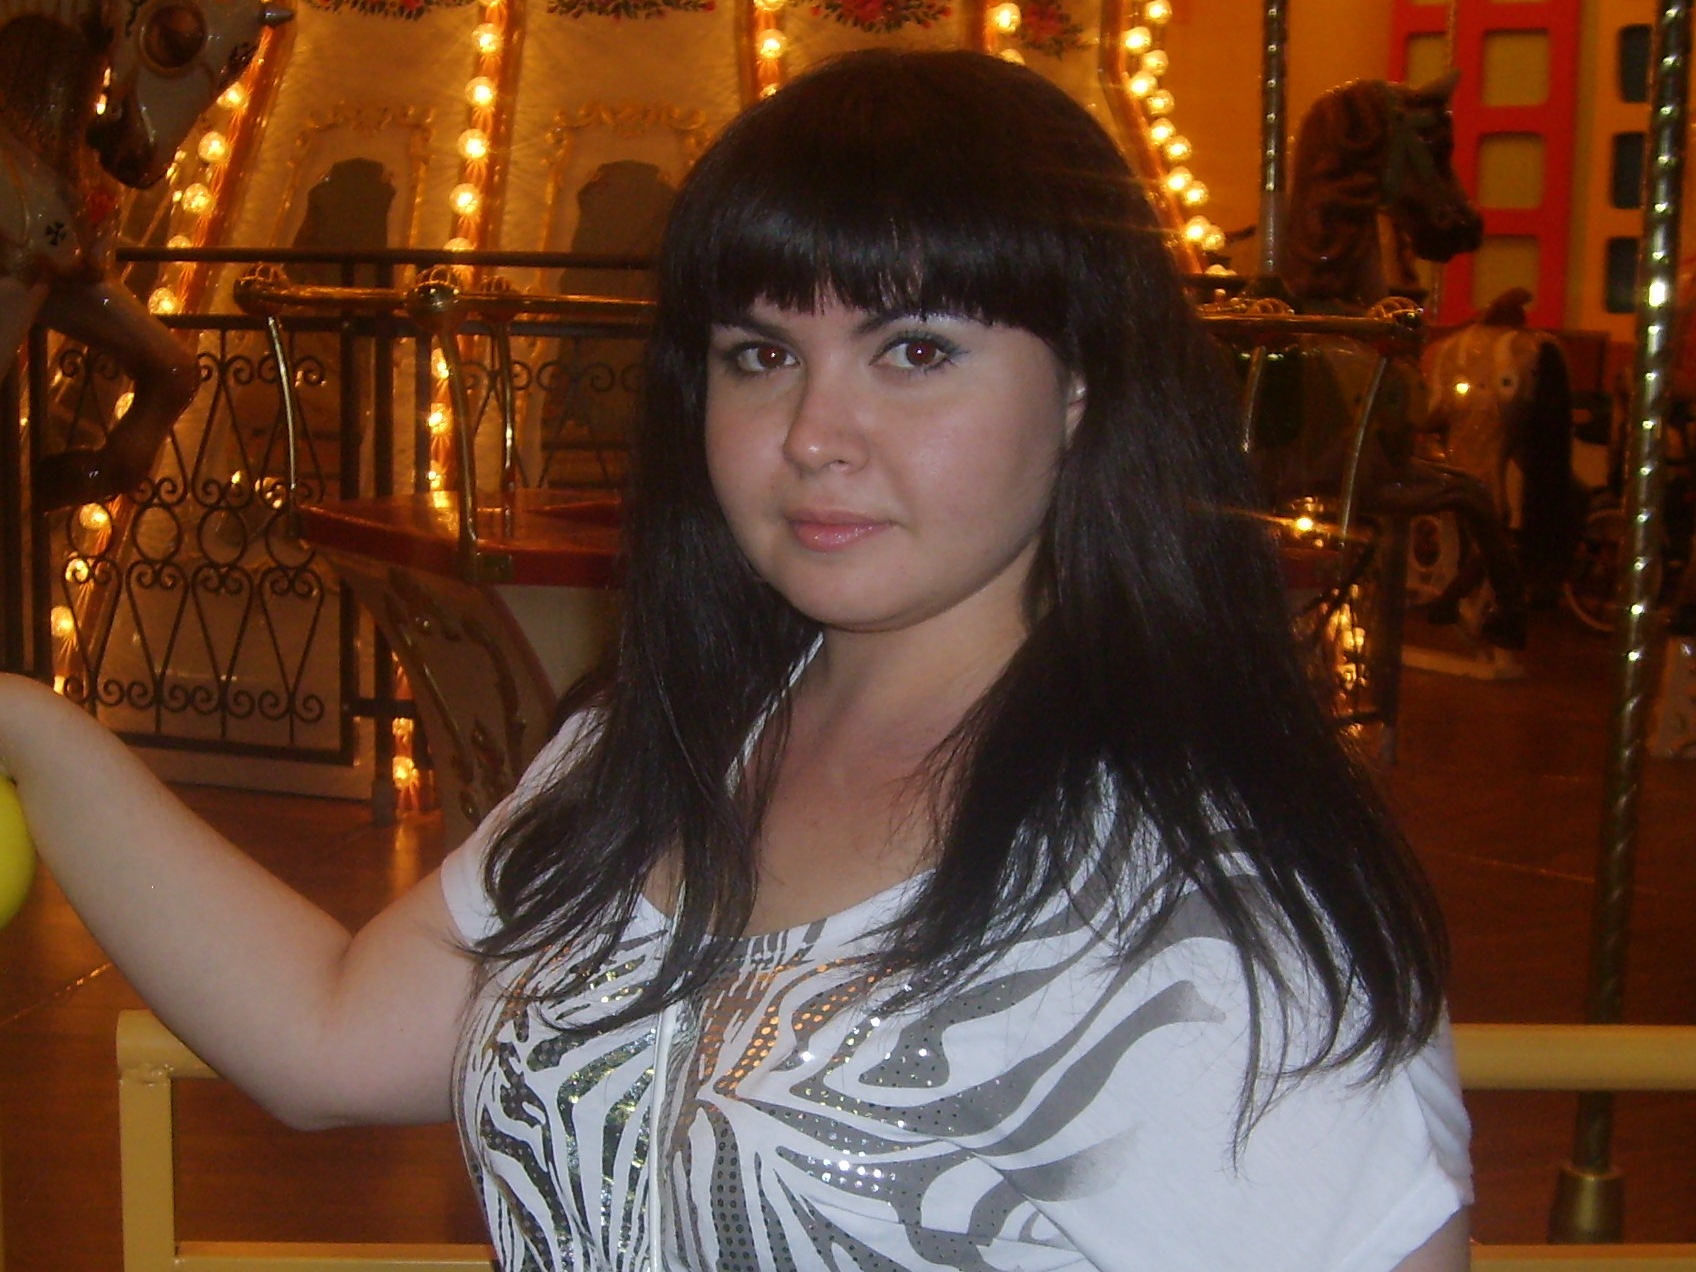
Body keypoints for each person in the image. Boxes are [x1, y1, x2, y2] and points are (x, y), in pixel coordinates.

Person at [0, 49, 1470, 1272]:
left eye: (915, 350)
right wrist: (29, 726)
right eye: (760, 353)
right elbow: (329, 1034)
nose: (814, 434)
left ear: (1081, 385)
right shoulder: (659, 745)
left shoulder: (1199, 901)